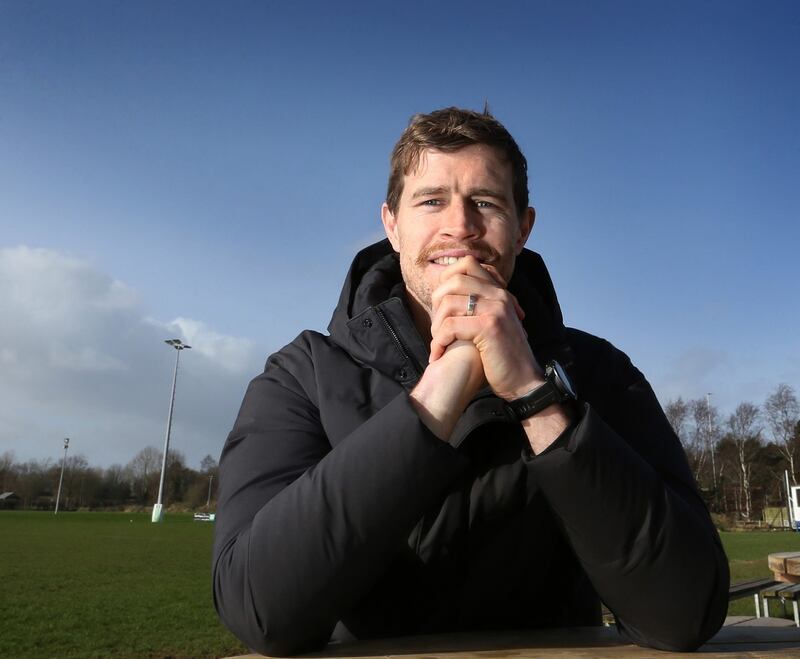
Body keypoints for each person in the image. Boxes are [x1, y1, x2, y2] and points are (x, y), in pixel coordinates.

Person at [212, 107, 729, 656]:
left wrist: (535, 395)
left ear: (523, 226)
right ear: (391, 223)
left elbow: (685, 612)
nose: (459, 225)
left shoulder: (600, 373)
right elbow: (258, 608)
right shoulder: (301, 376)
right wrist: (444, 385)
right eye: (431, 200)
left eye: (485, 202)